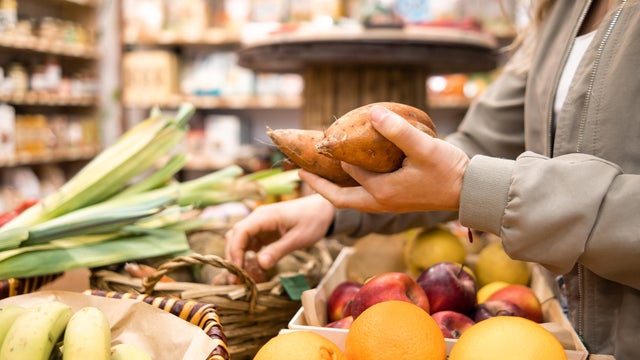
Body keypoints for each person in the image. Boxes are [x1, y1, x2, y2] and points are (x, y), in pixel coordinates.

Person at [225, 0, 640, 358]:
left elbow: (468, 171)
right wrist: (332, 209)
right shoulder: (560, 13)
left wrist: (473, 187)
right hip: (549, 328)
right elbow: (479, 142)